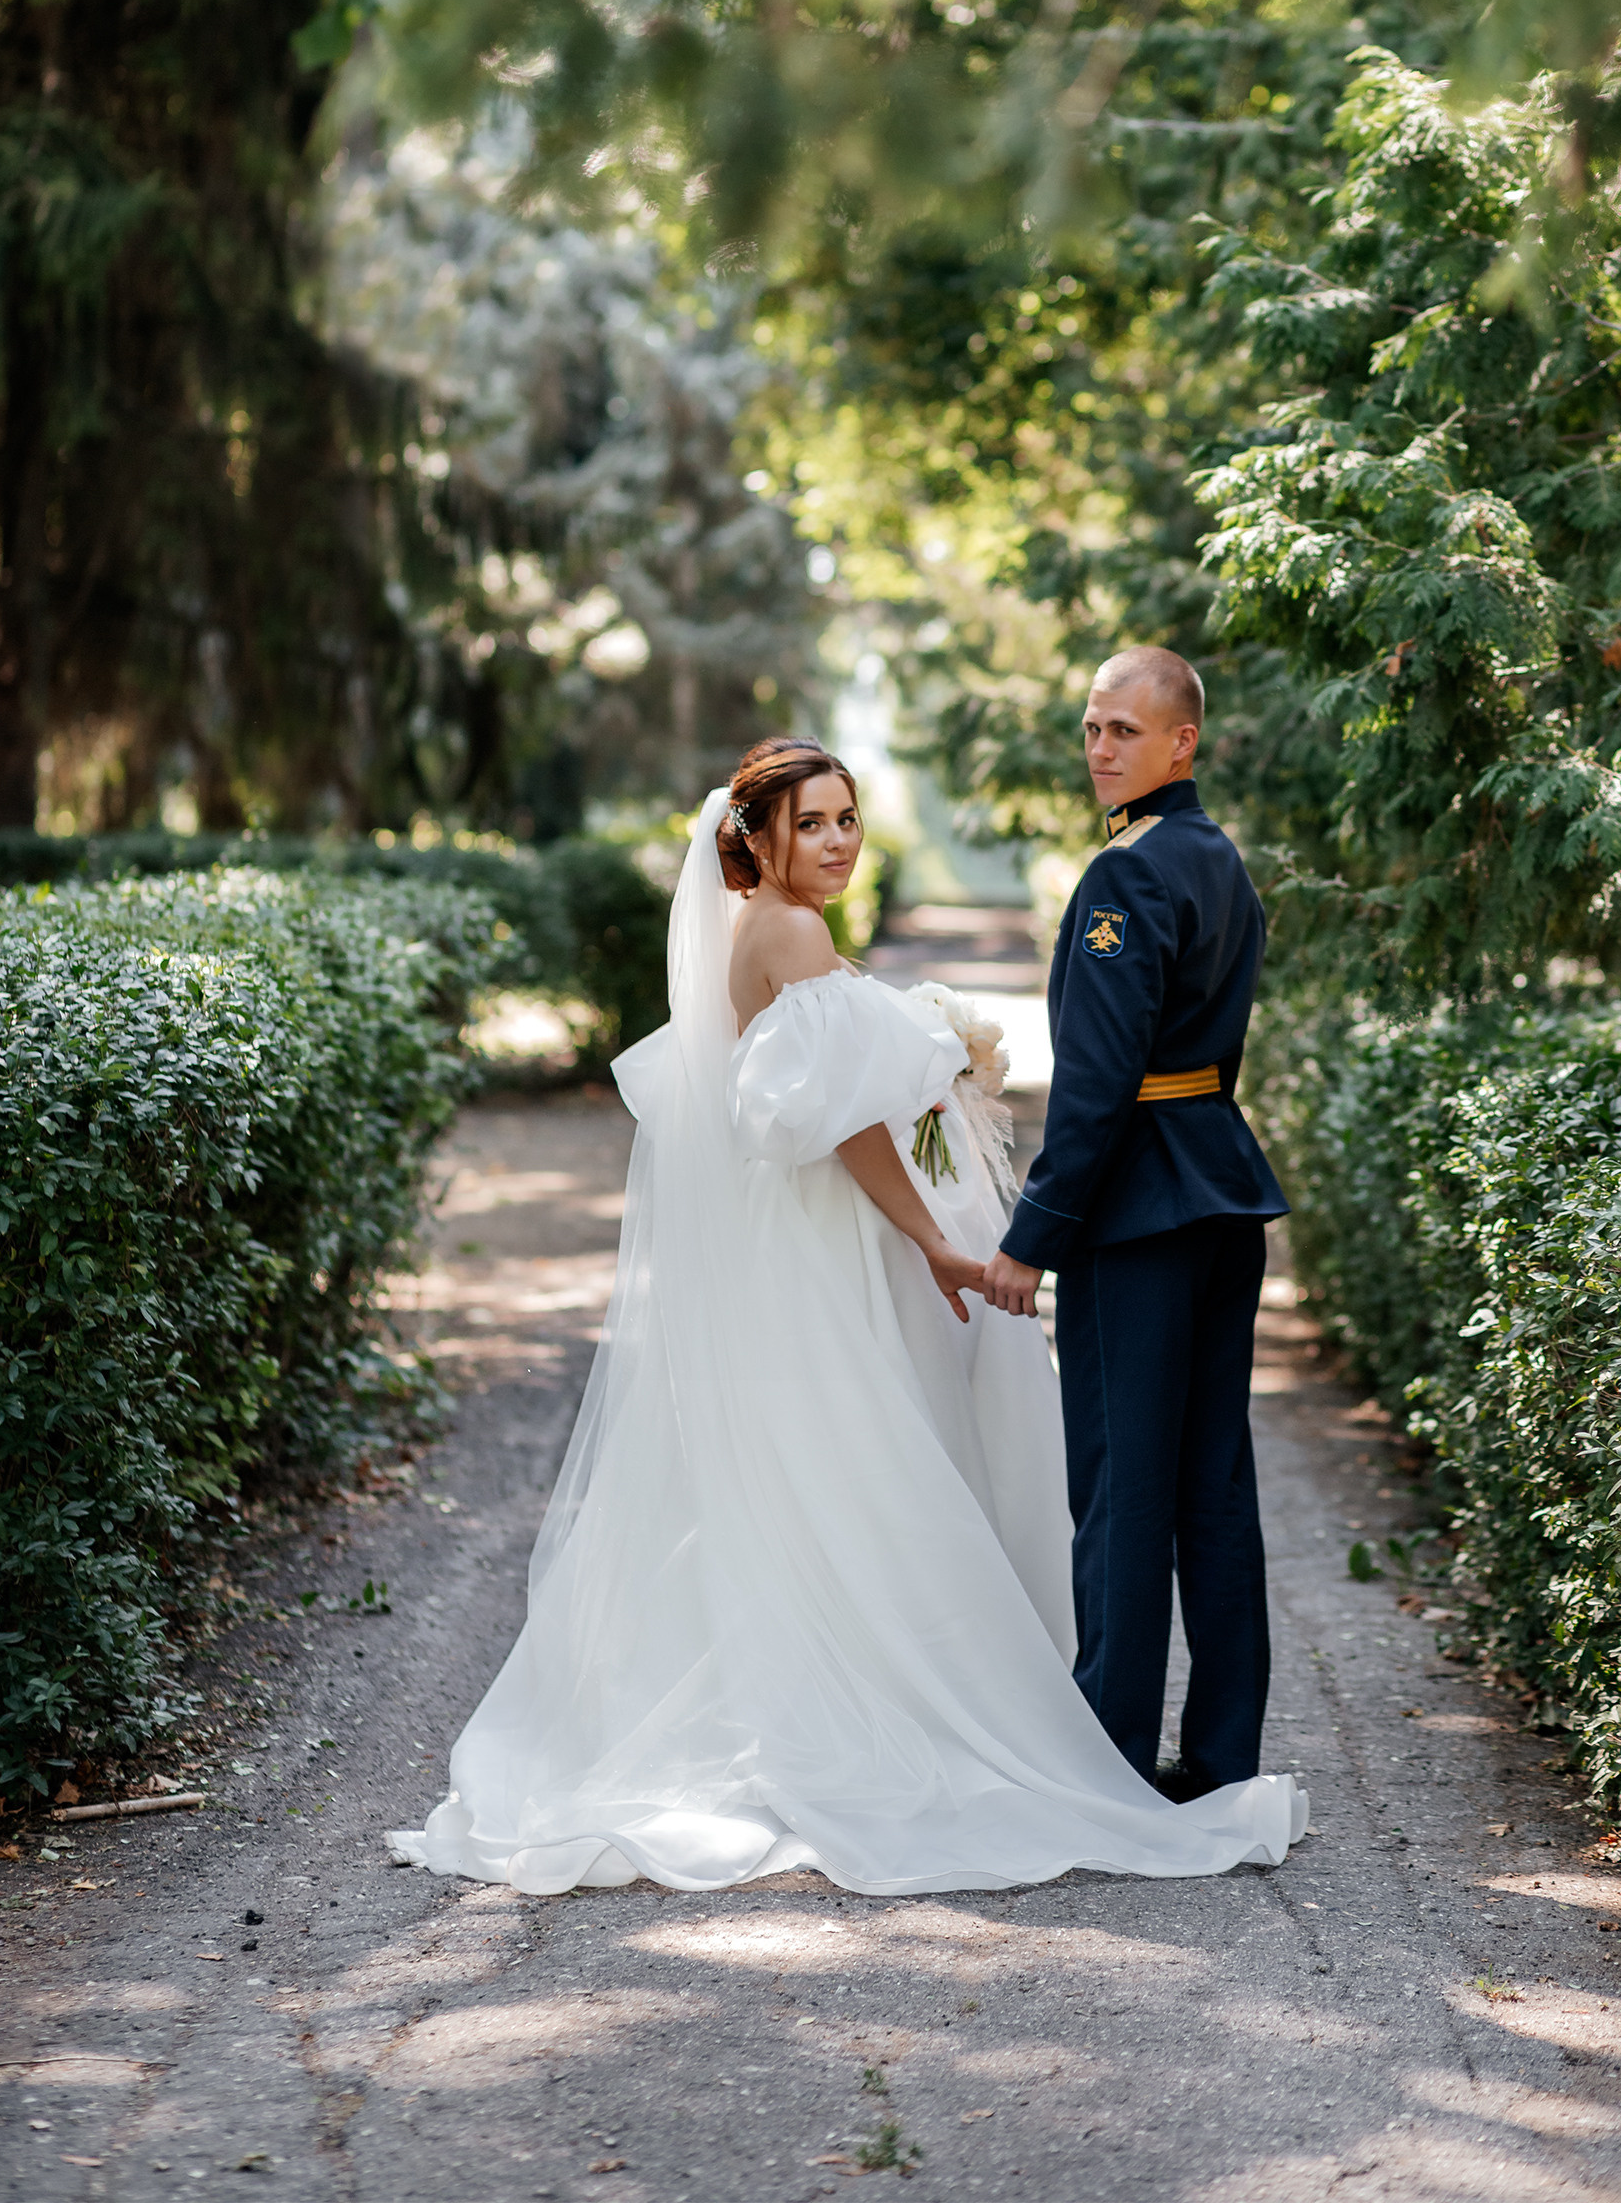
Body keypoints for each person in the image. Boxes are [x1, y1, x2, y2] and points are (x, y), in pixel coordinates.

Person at [388, 734, 1306, 1895]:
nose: (835, 843)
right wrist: (934, 1237)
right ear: (755, 835)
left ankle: (823, 1704)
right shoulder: (791, 932)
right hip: (821, 1244)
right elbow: (848, 1123)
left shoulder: (750, 932)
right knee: (864, 1466)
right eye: (811, 823)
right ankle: (888, 1719)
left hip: (789, 1240)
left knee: (810, 1476)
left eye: (846, 820)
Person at [983, 648, 1287, 1801]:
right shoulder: (1217, 860)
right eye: (1091, 727)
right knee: (1208, 1483)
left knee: (1122, 1486)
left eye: (1123, 728)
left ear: (1180, 744)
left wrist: (1032, 1234)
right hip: (1218, 1189)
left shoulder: (1126, 877)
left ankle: (1103, 1763)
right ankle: (1219, 1762)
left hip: (1141, 1215)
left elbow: (1097, 1083)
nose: (1101, 748)